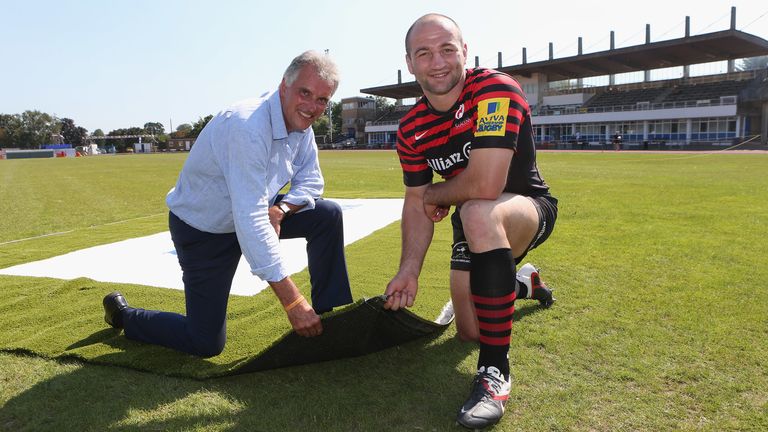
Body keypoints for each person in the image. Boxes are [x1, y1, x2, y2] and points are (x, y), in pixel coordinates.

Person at [102, 51, 353, 357]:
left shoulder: (302, 127)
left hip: (251, 213)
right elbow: (249, 220)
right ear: (284, 86)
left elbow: (312, 182)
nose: (313, 107)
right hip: (204, 230)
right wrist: (293, 302)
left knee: (327, 215)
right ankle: (124, 316)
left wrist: (281, 210)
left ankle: (330, 319)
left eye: (322, 100)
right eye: (305, 93)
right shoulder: (247, 126)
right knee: (205, 342)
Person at [383, 14, 558, 429]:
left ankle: (495, 373)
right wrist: (408, 271)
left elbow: (485, 182)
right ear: (409, 63)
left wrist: (437, 193)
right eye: (423, 52)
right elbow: (415, 204)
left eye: (447, 48)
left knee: (478, 209)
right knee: (469, 330)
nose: (437, 61)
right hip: (473, 219)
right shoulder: (410, 128)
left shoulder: (495, 90)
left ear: (465, 51)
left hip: (526, 208)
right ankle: (520, 282)